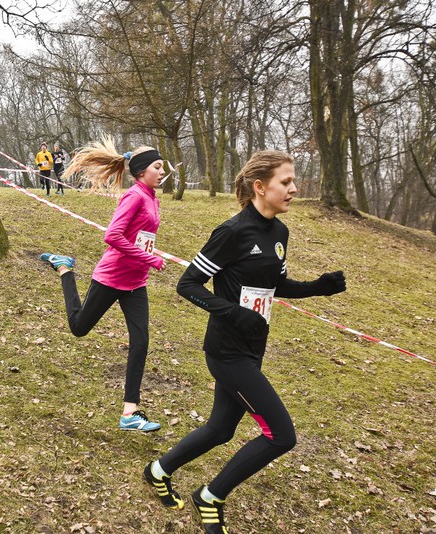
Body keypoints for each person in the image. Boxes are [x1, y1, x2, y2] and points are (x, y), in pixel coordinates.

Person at [143, 150, 347, 532]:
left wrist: (319, 288)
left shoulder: (279, 233)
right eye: (286, 182)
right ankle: (210, 496)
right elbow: (187, 284)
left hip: (253, 350)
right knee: (281, 436)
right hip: (227, 351)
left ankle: (157, 470)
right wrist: (233, 312)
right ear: (260, 186)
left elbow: (276, 285)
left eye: (293, 181)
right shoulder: (233, 231)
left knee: (221, 429)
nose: (294, 189)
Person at [39, 137, 166, 432]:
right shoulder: (134, 195)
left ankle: (129, 414)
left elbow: (139, 237)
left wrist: (150, 255)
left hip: (136, 282)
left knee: (141, 341)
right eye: (158, 167)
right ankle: (65, 268)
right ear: (142, 171)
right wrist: (149, 259)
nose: (162, 172)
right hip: (111, 277)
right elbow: (113, 236)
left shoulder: (152, 197)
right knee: (79, 328)